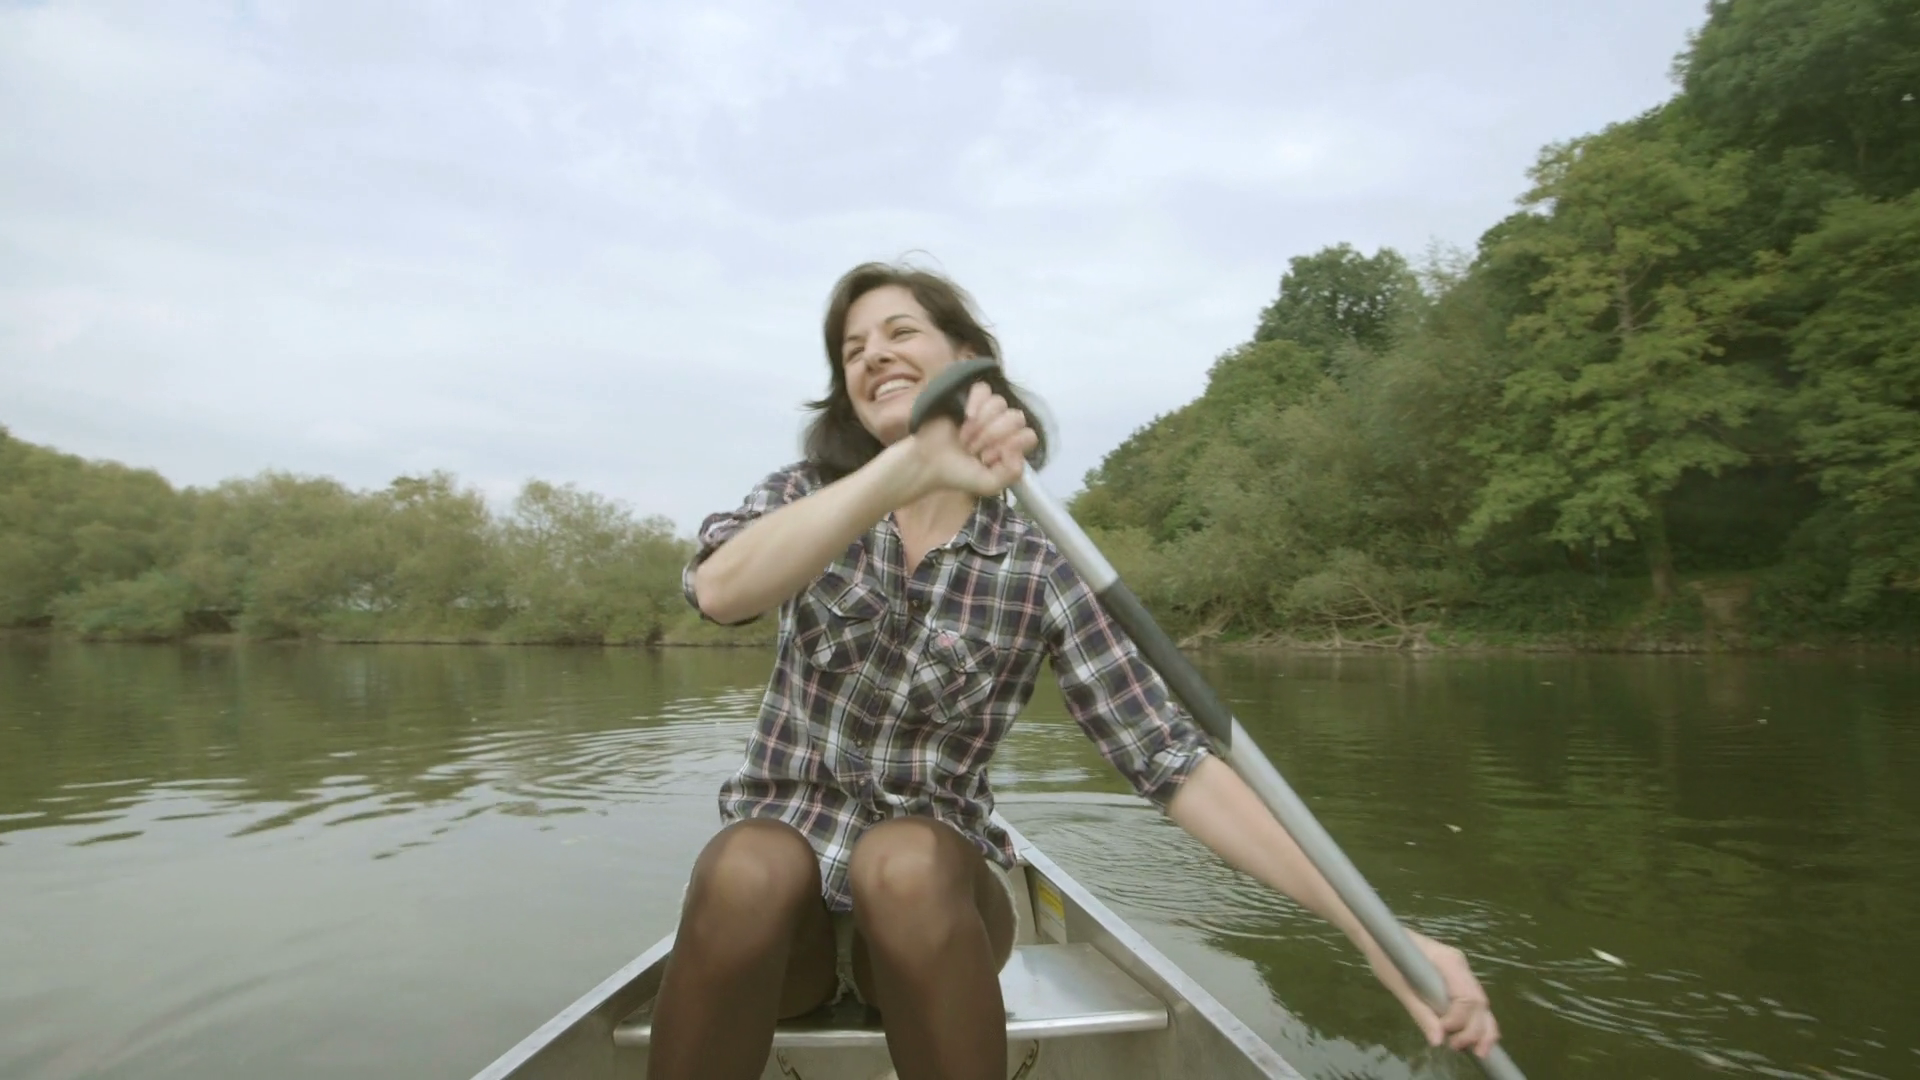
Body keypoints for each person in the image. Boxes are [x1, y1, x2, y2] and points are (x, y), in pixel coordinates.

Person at [648, 261, 1503, 1080]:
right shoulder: (802, 498)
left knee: (902, 862)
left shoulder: (1041, 562)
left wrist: (1379, 934)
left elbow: (1171, 761)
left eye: (900, 332)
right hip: (777, 931)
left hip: (931, 912)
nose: (873, 354)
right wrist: (906, 465)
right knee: (749, 864)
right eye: (853, 349)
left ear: (965, 359)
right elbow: (718, 590)